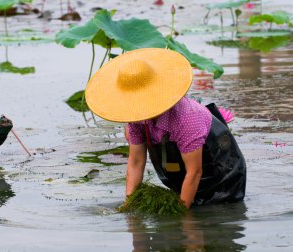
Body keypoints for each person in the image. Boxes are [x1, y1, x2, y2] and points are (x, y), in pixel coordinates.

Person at [85, 48, 246, 209]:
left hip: (222, 178)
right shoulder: (135, 117)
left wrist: (181, 215)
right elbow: (136, 162)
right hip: (183, 178)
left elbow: (194, 172)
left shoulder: (187, 118)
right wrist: (129, 205)